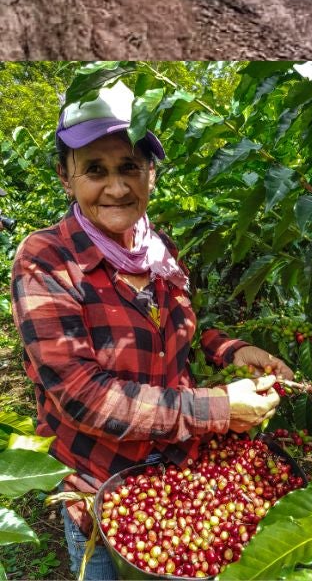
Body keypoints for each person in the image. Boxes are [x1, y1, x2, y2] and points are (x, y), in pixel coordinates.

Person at [9, 82, 295, 579]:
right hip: (101, 485)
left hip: (173, 473)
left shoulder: (157, 247)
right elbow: (81, 395)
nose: (117, 187)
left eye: (130, 168)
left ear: (151, 173)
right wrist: (221, 408)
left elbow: (176, 328)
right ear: (65, 177)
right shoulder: (47, 260)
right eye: (95, 170)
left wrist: (233, 350)